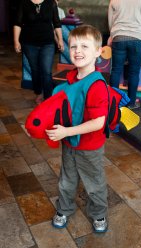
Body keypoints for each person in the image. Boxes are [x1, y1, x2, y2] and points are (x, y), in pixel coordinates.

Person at [46, 25, 109, 233]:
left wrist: (66, 132)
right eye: (73, 46)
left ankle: (99, 214)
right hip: (70, 142)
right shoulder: (71, 77)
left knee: (94, 183)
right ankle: (64, 209)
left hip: (90, 147)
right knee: (66, 179)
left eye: (84, 46)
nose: (78, 51)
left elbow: (98, 123)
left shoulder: (97, 85)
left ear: (98, 51)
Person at [13, 0, 64, 104]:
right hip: (29, 43)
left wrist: (60, 40)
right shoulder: (24, 3)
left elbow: (57, 23)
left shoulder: (51, 2)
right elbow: (17, 23)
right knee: (35, 69)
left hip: (48, 43)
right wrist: (16, 41)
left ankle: (48, 97)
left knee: (46, 71)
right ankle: (38, 92)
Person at [107, 0, 141, 109]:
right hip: (138, 37)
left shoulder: (114, 0)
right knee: (134, 72)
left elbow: (110, 22)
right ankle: (131, 103)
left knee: (116, 70)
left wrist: (113, 34)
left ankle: (113, 102)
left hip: (119, 36)